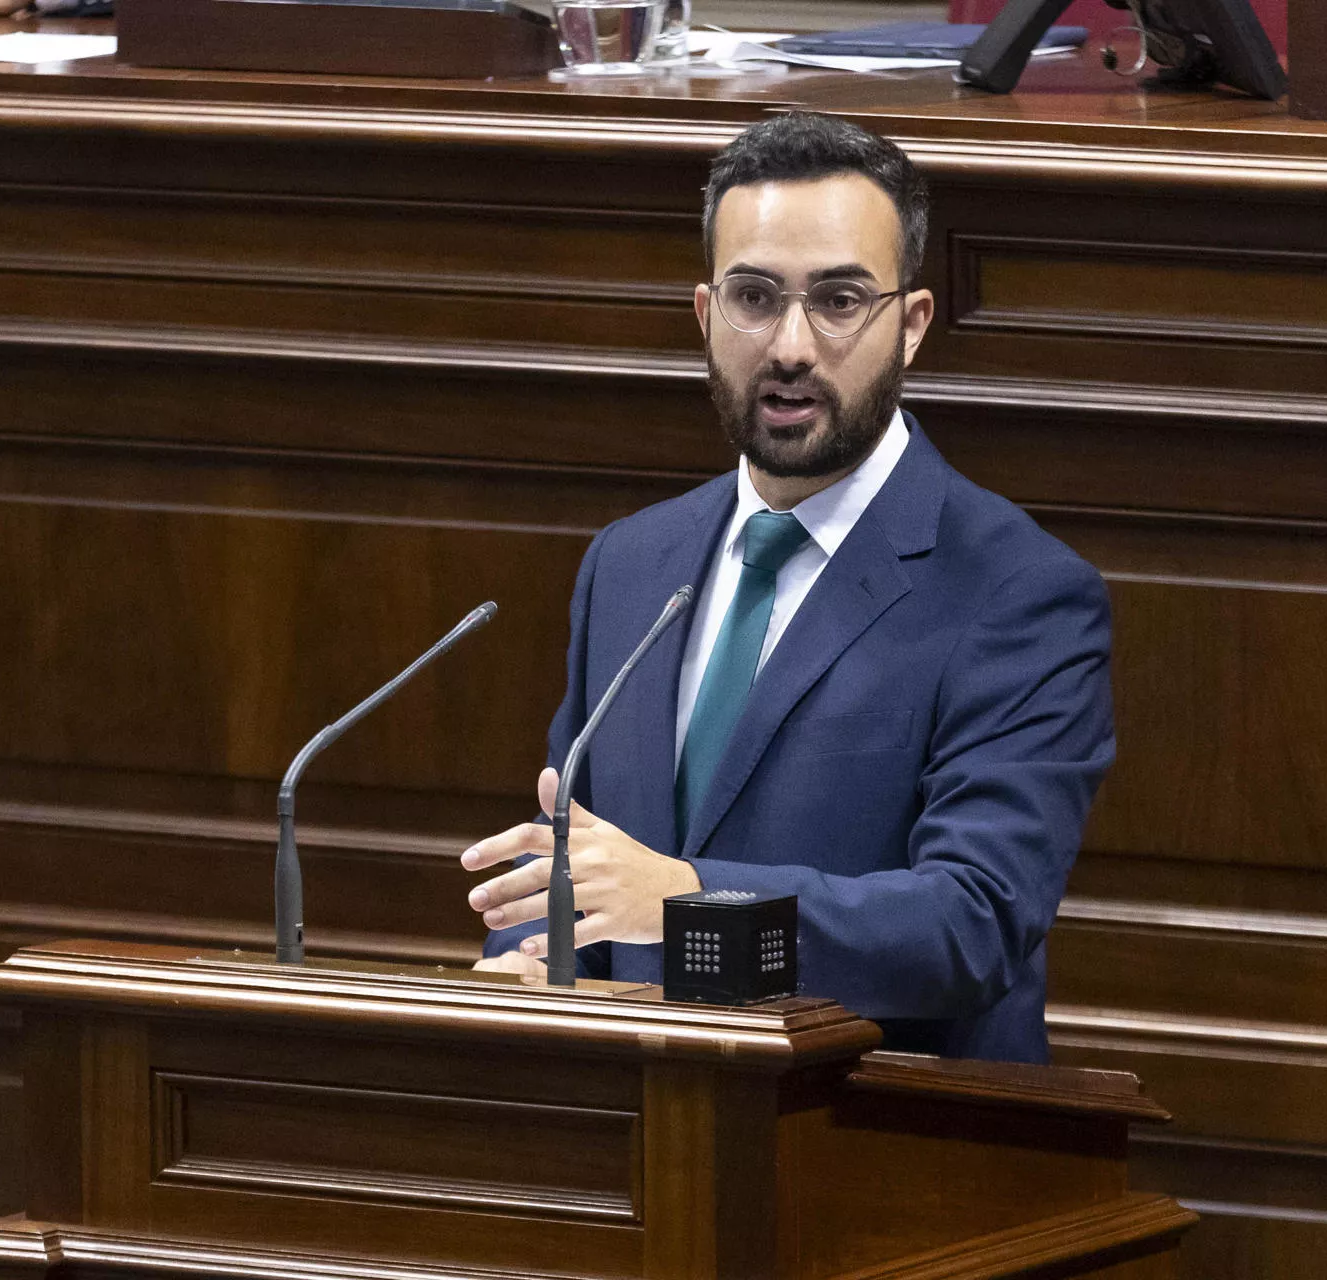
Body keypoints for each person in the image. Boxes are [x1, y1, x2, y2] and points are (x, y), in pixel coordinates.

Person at [462, 111, 1113, 1065]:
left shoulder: (1018, 592)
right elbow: (578, 864)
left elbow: (970, 924)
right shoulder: (631, 563)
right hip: (641, 1134)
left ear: (912, 325)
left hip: (887, 1151)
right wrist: (528, 964)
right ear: (704, 315)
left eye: (841, 301)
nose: (792, 346)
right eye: (756, 297)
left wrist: (688, 902)